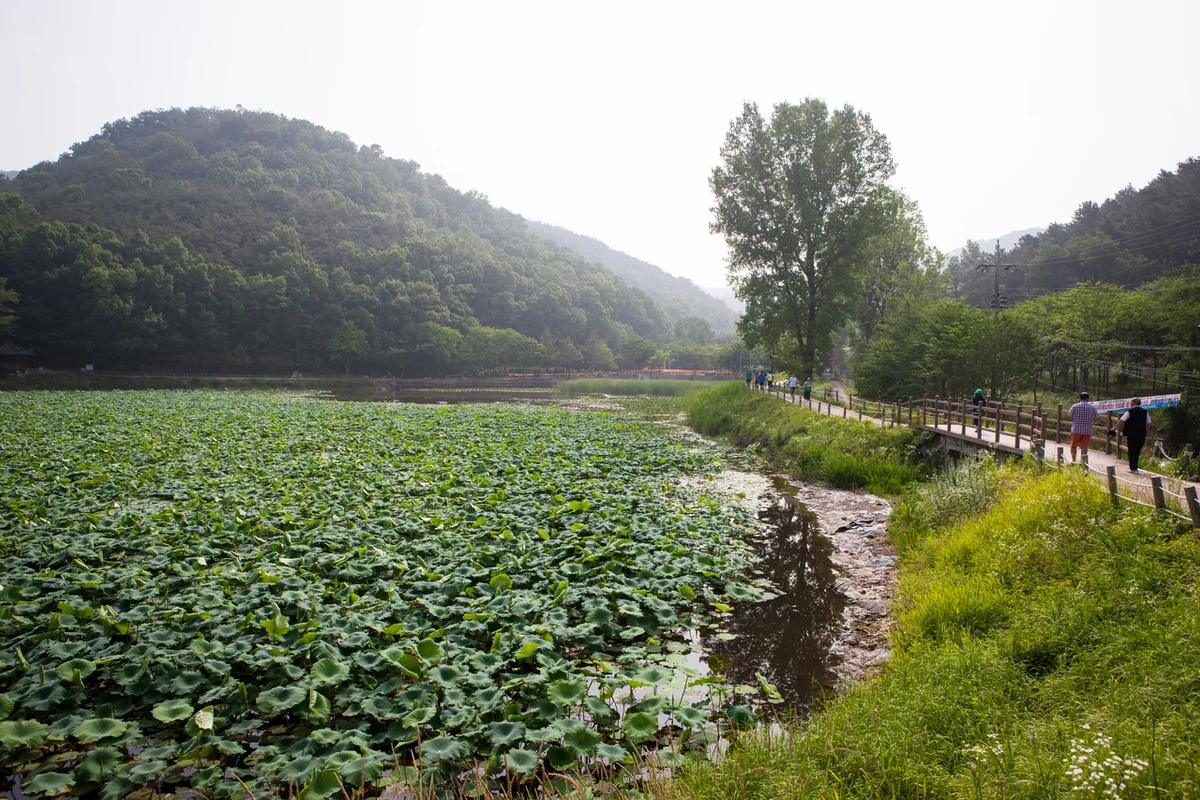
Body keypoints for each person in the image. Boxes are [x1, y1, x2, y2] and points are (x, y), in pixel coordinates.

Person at [1114, 398, 1150, 474]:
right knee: (1137, 451)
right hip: (1141, 435)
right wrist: (1146, 431)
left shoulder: (1129, 411)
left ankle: (1133, 468)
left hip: (1131, 435)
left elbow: (1121, 421)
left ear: (1133, 403)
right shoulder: (1145, 412)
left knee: (1131, 451)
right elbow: (1149, 423)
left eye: (1131, 402)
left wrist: (1114, 428)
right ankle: (1134, 467)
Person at [1068, 391, 1098, 463]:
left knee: (1073, 445)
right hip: (1087, 430)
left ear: (1080, 398)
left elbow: (1070, 416)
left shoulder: (1075, 406)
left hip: (1076, 429)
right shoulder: (1092, 407)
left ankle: (1073, 460)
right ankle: (1083, 462)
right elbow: (1095, 417)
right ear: (1088, 398)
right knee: (1084, 447)